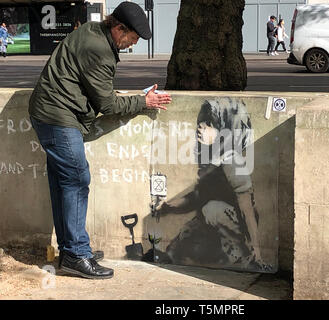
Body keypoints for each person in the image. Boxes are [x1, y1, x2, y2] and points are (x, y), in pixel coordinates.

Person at [29, 1, 172, 280]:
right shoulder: (99, 49)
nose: (132, 44)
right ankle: (76, 254)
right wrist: (143, 101)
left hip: (49, 112)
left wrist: (133, 98)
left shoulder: (93, 31)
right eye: (132, 38)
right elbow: (108, 105)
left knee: (63, 184)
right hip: (58, 117)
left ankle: (71, 249)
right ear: (119, 28)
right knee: (77, 180)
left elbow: (94, 87)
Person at [151, 98, 273, 272]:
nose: (201, 126)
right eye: (201, 122)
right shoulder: (212, 157)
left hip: (237, 224)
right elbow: (197, 196)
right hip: (214, 217)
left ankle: (242, 256)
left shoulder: (232, 160)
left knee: (211, 209)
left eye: (209, 124)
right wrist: (168, 206)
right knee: (186, 235)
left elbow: (247, 211)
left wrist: (257, 253)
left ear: (225, 130)